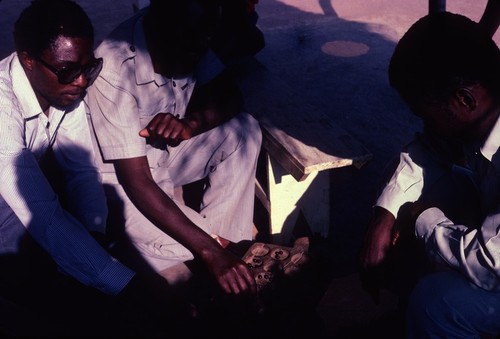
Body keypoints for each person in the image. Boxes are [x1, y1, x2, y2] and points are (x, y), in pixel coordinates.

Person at [0, 0, 193, 336]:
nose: (80, 83)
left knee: (87, 261)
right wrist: (129, 286)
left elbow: (82, 171)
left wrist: (96, 235)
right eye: (68, 71)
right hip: (8, 209)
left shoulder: (63, 88)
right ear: (28, 60)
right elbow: (43, 214)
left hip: (17, 195)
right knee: (62, 298)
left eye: (89, 69)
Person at [85, 0, 262, 301]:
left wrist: (191, 124)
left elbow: (232, 96)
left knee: (245, 130)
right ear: (159, 28)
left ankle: (223, 251)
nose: (202, 49)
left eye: (206, 39)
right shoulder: (115, 67)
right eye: (194, 43)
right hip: (119, 182)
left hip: (162, 157)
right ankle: (217, 254)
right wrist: (208, 249)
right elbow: (137, 181)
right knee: (191, 246)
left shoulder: (192, 32)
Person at [360, 11, 500, 338]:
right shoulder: (480, 115)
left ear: (465, 99)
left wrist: (421, 219)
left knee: (437, 303)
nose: (426, 124)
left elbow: (491, 265)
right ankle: (409, 318)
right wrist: (384, 216)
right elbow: (426, 149)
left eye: (428, 113)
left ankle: (428, 322)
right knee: (411, 193)